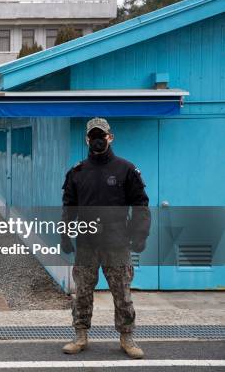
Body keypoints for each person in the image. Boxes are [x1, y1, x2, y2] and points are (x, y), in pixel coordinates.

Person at [60, 117, 151, 359]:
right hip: (87, 244)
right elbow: (69, 206)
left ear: (111, 137)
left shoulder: (126, 169)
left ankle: (127, 337)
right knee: (82, 292)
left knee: (122, 292)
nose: (98, 140)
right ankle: (80, 335)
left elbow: (140, 204)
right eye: (93, 136)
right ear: (87, 139)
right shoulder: (77, 172)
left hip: (117, 243)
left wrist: (140, 234)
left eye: (102, 136)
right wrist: (65, 234)